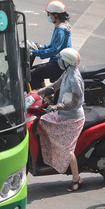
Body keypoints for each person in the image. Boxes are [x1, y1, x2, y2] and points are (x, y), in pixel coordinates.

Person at [36, 48, 85, 192]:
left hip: (72, 119)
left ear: (67, 62)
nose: (59, 62)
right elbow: (55, 85)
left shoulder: (74, 79)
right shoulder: (67, 73)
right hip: (63, 115)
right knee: (41, 121)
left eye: (61, 60)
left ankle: (77, 179)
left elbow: (74, 102)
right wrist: (36, 93)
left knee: (66, 149)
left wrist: (57, 106)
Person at [30, 0, 72, 89]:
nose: (48, 16)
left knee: (32, 74)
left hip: (59, 64)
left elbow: (55, 50)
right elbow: (53, 45)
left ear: (55, 15)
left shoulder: (60, 30)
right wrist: (42, 47)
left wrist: (35, 53)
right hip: (59, 62)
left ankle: (42, 99)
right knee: (34, 71)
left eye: (49, 14)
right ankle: (46, 94)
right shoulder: (62, 25)